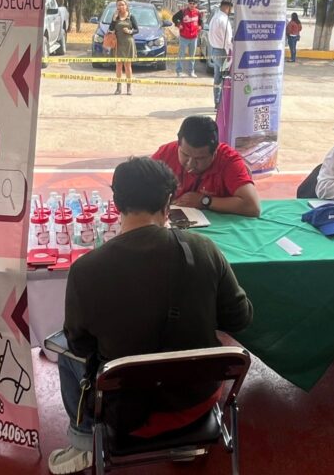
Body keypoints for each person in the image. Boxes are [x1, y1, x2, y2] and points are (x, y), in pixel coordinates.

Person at [49, 157, 253, 475]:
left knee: (64, 353)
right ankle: (184, 445)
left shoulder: (86, 270)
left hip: (126, 413)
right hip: (197, 401)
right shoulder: (204, 249)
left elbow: (80, 345)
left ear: (117, 202)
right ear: (168, 202)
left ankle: (83, 441)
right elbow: (240, 318)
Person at [152, 116, 261, 217]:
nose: (190, 164)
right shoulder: (165, 154)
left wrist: (205, 201)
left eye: (199, 158)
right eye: (185, 154)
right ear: (178, 145)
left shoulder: (228, 160)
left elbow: (253, 207)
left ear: (215, 152)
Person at [207, 0, 233, 109]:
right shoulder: (224, 20)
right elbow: (228, 40)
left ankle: (217, 103)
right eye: (230, 9)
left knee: (217, 78)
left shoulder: (215, 17)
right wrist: (229, 54)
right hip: (222, 52)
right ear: (227, 7)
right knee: (225, 79)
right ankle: (222, 104)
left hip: (214, 50)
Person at [109, 0, 138, 95]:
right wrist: (114, 20)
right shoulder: (115, 17)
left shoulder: (131, 16)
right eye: (118, 5)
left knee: (127, 65)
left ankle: (129, 88)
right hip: (118, 43)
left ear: (126, 6)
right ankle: (118, 88)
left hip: (128, 43)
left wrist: (130, 31)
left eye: (122, 4)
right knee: (118, 65)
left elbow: (137, 30)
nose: (120, 6)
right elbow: (110, 30)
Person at [172, 0, 204, 78]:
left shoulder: (198, 12)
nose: (192, 5)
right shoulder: (183, 12)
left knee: (192, 56)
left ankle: (191, 72)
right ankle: (179, 72)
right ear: (188, 4)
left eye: (193, 3)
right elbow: (174, 18)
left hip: (194, 37)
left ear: (196, 4)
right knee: (181, 55)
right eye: (190, 3)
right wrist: (178, 24)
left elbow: (201, 22)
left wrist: (200, 27)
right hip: (184, 37)